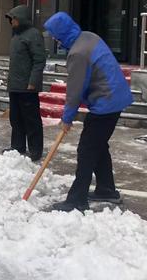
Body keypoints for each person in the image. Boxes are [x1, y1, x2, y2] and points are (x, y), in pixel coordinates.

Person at [44, 12, 133, 212]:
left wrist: (67, 118)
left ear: (63, 33)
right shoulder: (89, 36)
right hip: (115, 98)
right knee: (98, 146)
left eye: (56, 35)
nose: (55, 40)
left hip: (106, 103)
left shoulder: (78, 53)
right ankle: (106, 189)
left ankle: (77, 199)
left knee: (86, 150)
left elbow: (74, 91)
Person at [5, 5, 46, 161]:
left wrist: (33, 82)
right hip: (15, 86)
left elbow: (39, 60)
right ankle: (17, 146)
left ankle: (35, 149)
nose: (11, 22)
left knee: (31, 120)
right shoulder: (16, 36)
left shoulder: (33, 35)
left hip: (27, 87)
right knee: (15, 119)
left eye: (13, 19)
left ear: (20, 18)